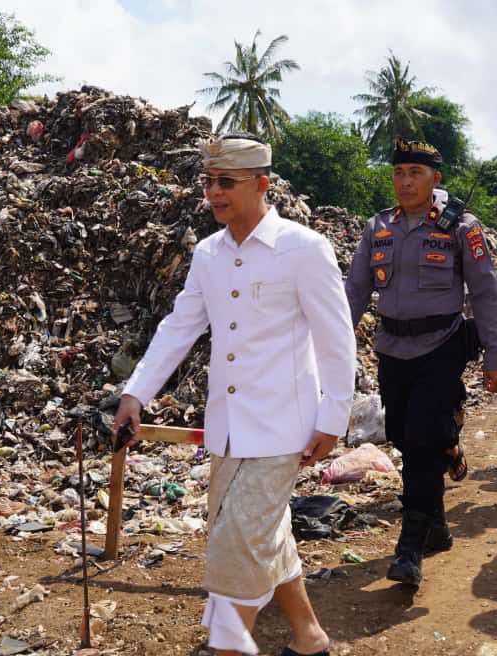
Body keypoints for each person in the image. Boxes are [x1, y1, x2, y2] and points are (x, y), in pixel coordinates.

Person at [114, 132, 355, 656]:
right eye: (209, 181)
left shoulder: (304, 249)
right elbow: (180, 326)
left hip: (284, 425)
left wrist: (334, 416)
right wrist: (136, 393)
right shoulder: (209, 253)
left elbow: (337, 340)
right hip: (227, 427)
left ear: (262, 185)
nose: (214, 192)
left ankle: (225, 646)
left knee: (237, 541)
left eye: (227, 181)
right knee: (259, 536)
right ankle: (310, 637)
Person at [345, 139, 497, 587]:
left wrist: (495, 356)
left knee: (420, 442)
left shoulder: (461, 227)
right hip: (392, 349)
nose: (405, 182)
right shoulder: (378, 227)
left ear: (436, 179)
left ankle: (409, 548)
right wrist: (333, 344)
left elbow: (486, 293)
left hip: (441, 346)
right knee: (402, 434)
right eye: (399, 173)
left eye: (415, 173)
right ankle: (434, 524)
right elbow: (355, 291)